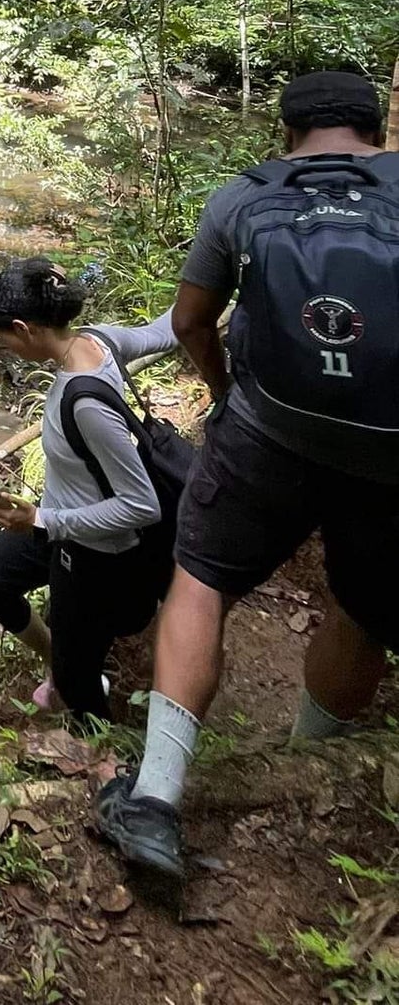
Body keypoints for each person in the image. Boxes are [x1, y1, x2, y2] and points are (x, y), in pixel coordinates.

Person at [97, 69, 399, 881]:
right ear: (374, 130)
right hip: (387, 453)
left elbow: (192, 319)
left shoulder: (245, 197)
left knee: (199, 575)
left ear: (285, 131)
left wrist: (224, 390)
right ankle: (312, 758)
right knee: (363, 608)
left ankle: (155, 796)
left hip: (265, 434)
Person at [0, 261, 176, 725]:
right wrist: (219, 294)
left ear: (25, 328)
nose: (7, 351)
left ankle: (97, 746)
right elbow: (166, 330)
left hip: (92, 552)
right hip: (57, 526)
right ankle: (66, 658)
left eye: (6, 341)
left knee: (78, 690)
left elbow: (141, 505)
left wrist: (41, 520)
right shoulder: (98, 340)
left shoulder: (87, 404)